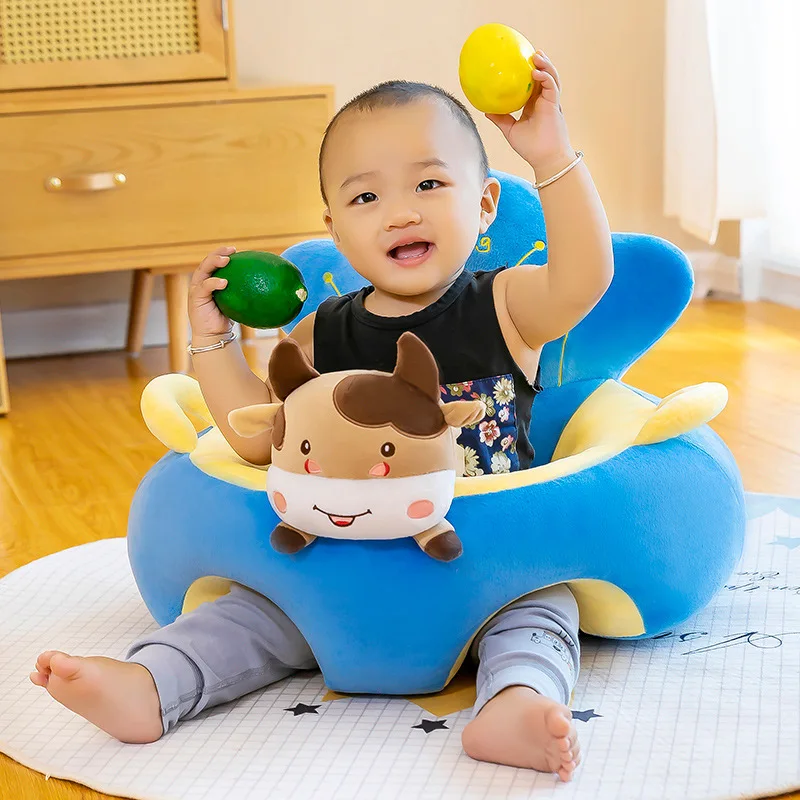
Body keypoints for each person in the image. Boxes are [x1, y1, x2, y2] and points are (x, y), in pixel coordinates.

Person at [31, 50, 613, 783]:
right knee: (247, 616)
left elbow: (586, 277)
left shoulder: (506, 304)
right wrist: (211, 340)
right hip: (343, 564)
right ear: (335, 229)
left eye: (430, 183)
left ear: (486, 203)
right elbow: (253, 431)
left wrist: (551, 154)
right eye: (366, 199)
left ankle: (516, 705)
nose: (401, 211)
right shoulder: (322, 335)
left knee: (541, 610)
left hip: (484, 565)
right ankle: (154, 685)